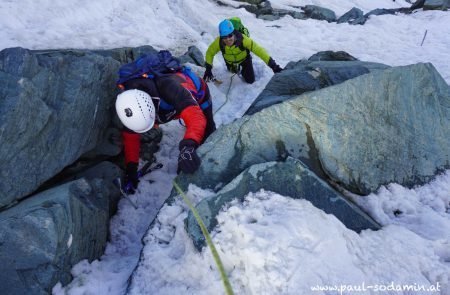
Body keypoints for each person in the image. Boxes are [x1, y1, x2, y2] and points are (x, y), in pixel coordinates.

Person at [115, 70, 216, 193]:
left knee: (208, 130)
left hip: (199, 94)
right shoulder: (129, 105)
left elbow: (196, 118)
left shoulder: (169, 87)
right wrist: (131, 169)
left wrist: (188, 146)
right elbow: (131, 138)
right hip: (175, 107)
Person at [203, 19, 283, 84]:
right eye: (224, 37)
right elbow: (210, 53)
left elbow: (260, 51)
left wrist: (273, 66)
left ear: (233, 33)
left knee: (250, 80)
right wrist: (208, 69)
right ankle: (236, 69)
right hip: (230, 62)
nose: (227, 39)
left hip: (245, 60)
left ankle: (244, 69)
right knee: (232, 71)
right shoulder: (219, 42)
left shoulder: (243, 40)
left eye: (230, 35)